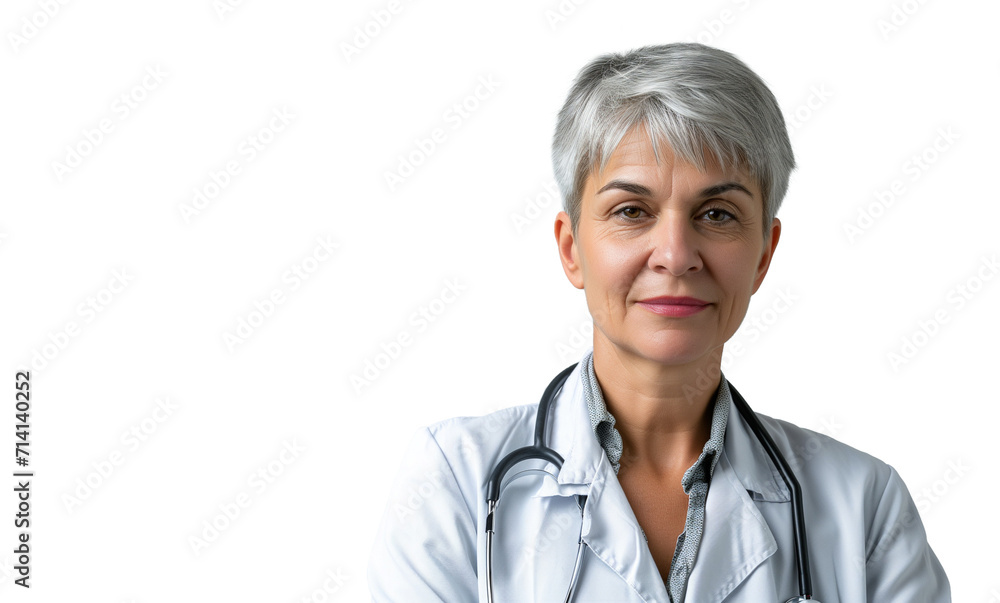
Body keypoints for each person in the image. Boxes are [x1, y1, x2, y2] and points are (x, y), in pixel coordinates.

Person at [367, 43, 951, 602]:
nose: (675, 255)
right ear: (572, 249)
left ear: (763, 256)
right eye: (631, 211)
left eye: (717, 214)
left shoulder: (865, 508)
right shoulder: (455, 480)